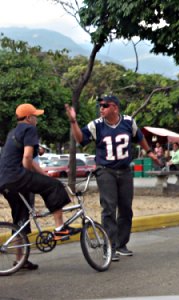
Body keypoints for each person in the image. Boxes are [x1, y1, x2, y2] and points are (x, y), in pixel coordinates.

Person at [65, 95, 160, 262]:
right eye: (100, 106)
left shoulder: (128, 122)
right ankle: (110, 246)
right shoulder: (96, 125)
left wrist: (150, 152)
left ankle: (122, 244)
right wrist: (73, 122)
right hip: (105, 170)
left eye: (105, 105)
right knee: (109, 207)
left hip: (124, 171)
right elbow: (81, 139)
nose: (101, 108)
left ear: (115, 108)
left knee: (126, 208)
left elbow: (139, 138)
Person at [0, 104, 80, 270]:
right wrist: (30, 174)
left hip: (4, 181)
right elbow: (28, 157)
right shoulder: (30, 130)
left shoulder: (12, 132)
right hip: (18, 177)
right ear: (29, 118)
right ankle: (59, 228)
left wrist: (42, 175)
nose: (37, 119)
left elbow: (29, 160)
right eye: (35, 116)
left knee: (20, 219)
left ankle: (19, 260)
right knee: (55, 186)